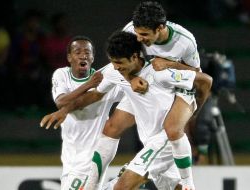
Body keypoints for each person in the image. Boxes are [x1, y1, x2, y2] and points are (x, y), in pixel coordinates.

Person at [41, 31, 212, 190]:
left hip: (164, 139)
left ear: (134, 57)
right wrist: (64, 111)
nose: (115, 68)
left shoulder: (160, 72)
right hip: (149, 140)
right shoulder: (114, 71)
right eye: (113, 62)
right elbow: (94, 96)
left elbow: (206, 81)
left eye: (119, 63)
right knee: (111, 129)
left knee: (122, 186)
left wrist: (191, 112)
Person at [122, 1, 204, 188]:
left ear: (160, 28)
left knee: (173, 129)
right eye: (137, 33)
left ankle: (187, 184)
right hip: (149, 85)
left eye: (144, 35)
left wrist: (171, 64)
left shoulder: (185, 40)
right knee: (113, 126)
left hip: (179, 86)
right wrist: (130, 79)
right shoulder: (130, 31)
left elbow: (197, 75)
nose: (139, 38)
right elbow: (118, 61)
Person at [42, 35, 124, 190]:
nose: (83, 55)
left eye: (87, 52)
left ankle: (123, 183)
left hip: (91, 160)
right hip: (70, 161)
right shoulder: (62, 75)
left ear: (92, 57)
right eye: (77, 52)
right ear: (69, 57)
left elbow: (129, 91)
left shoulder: (105, 81)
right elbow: (62, 102)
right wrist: (89, 84)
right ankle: (119, 184)